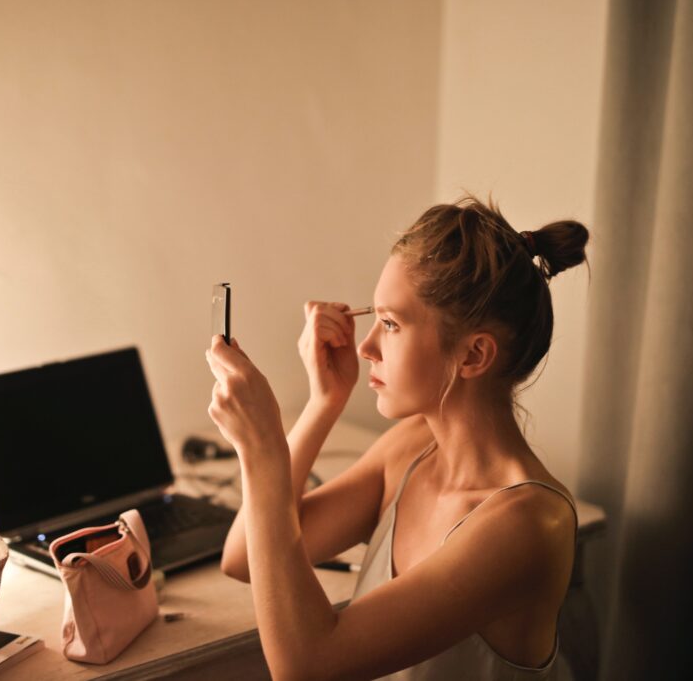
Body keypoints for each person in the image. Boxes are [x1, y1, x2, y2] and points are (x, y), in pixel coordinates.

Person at [205, 196, 589, 680]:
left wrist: (264, 452)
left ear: (473, 356)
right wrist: (323, 402)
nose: (365, 346)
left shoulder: (528, 524)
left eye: (390, 324)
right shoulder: (411, 447)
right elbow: (242, 557)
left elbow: (307, 666)